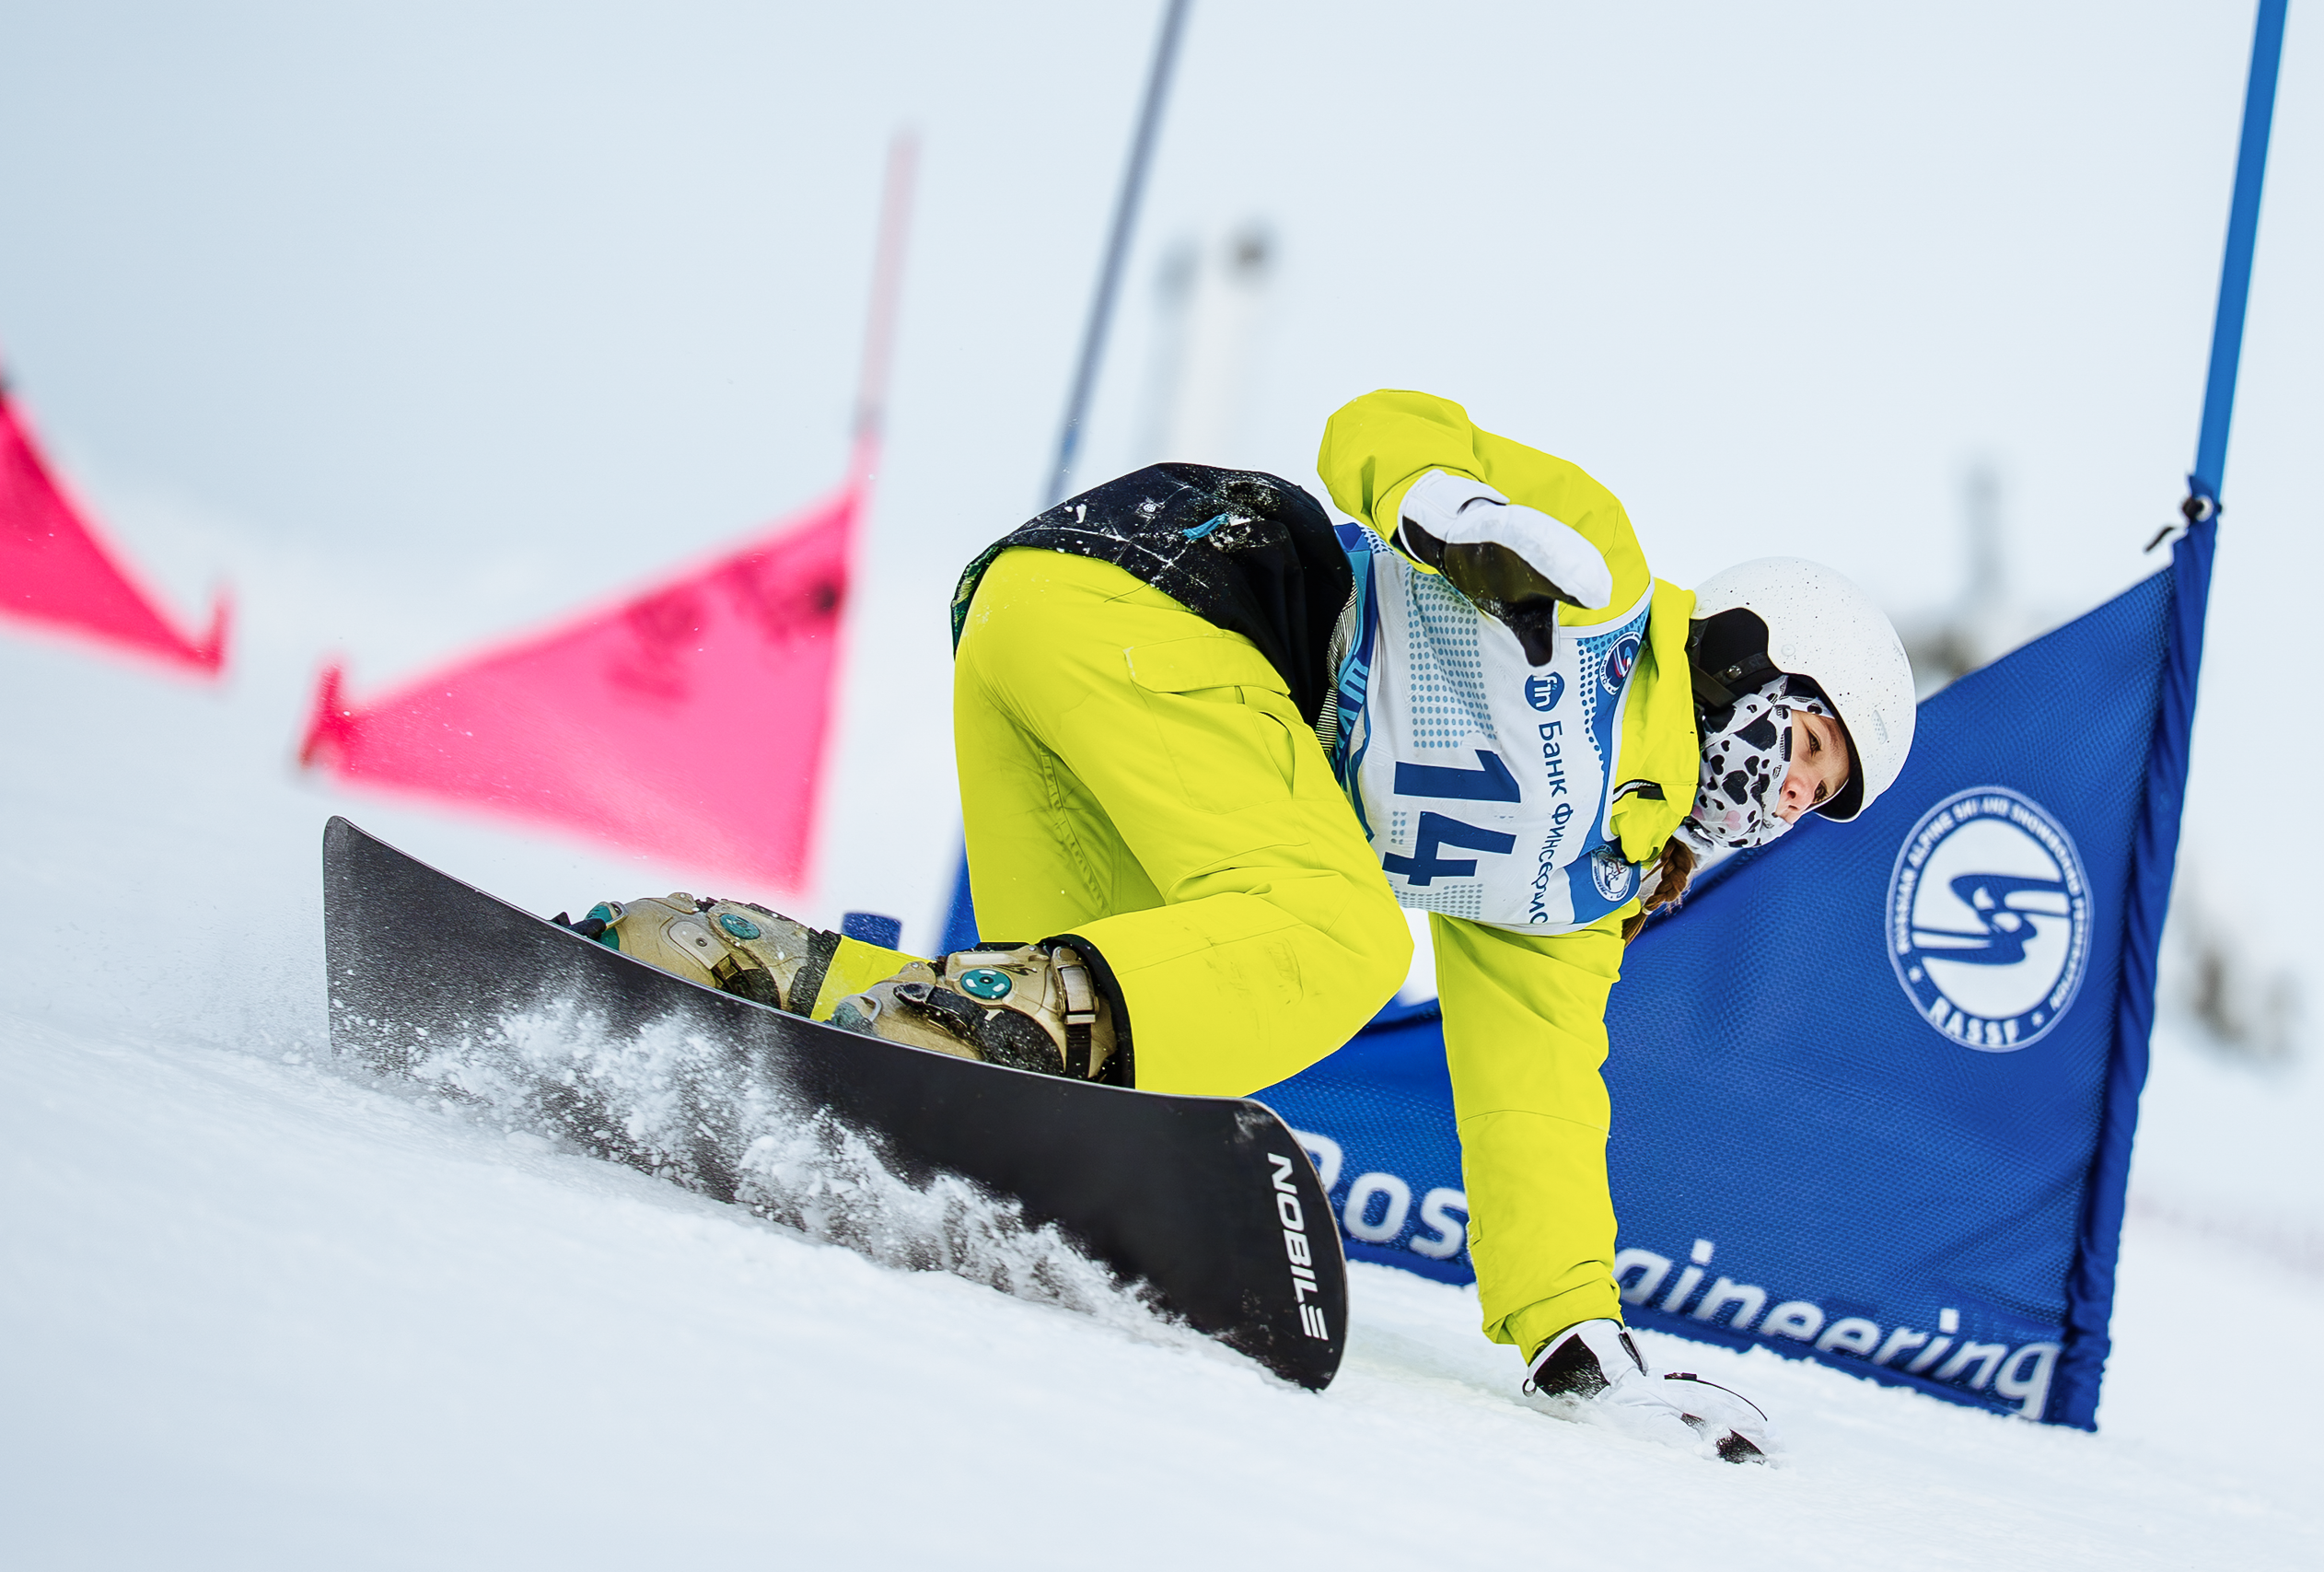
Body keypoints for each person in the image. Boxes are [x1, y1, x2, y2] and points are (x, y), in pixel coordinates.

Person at [574, 389, 1915, 1461]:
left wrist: (1576, 1335)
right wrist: (1448, 508)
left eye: (1814, 794)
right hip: (1163, 595)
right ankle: (961, 1025)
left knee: (1109, 1046)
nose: (1783, 793)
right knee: (1337, 937)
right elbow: (1383, 422)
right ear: (1746, 651)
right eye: (1801, 739)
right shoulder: (1603, 586)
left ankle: (736, 965)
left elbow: (1539, 1107)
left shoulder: (1575, 893)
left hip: (1048, 644)